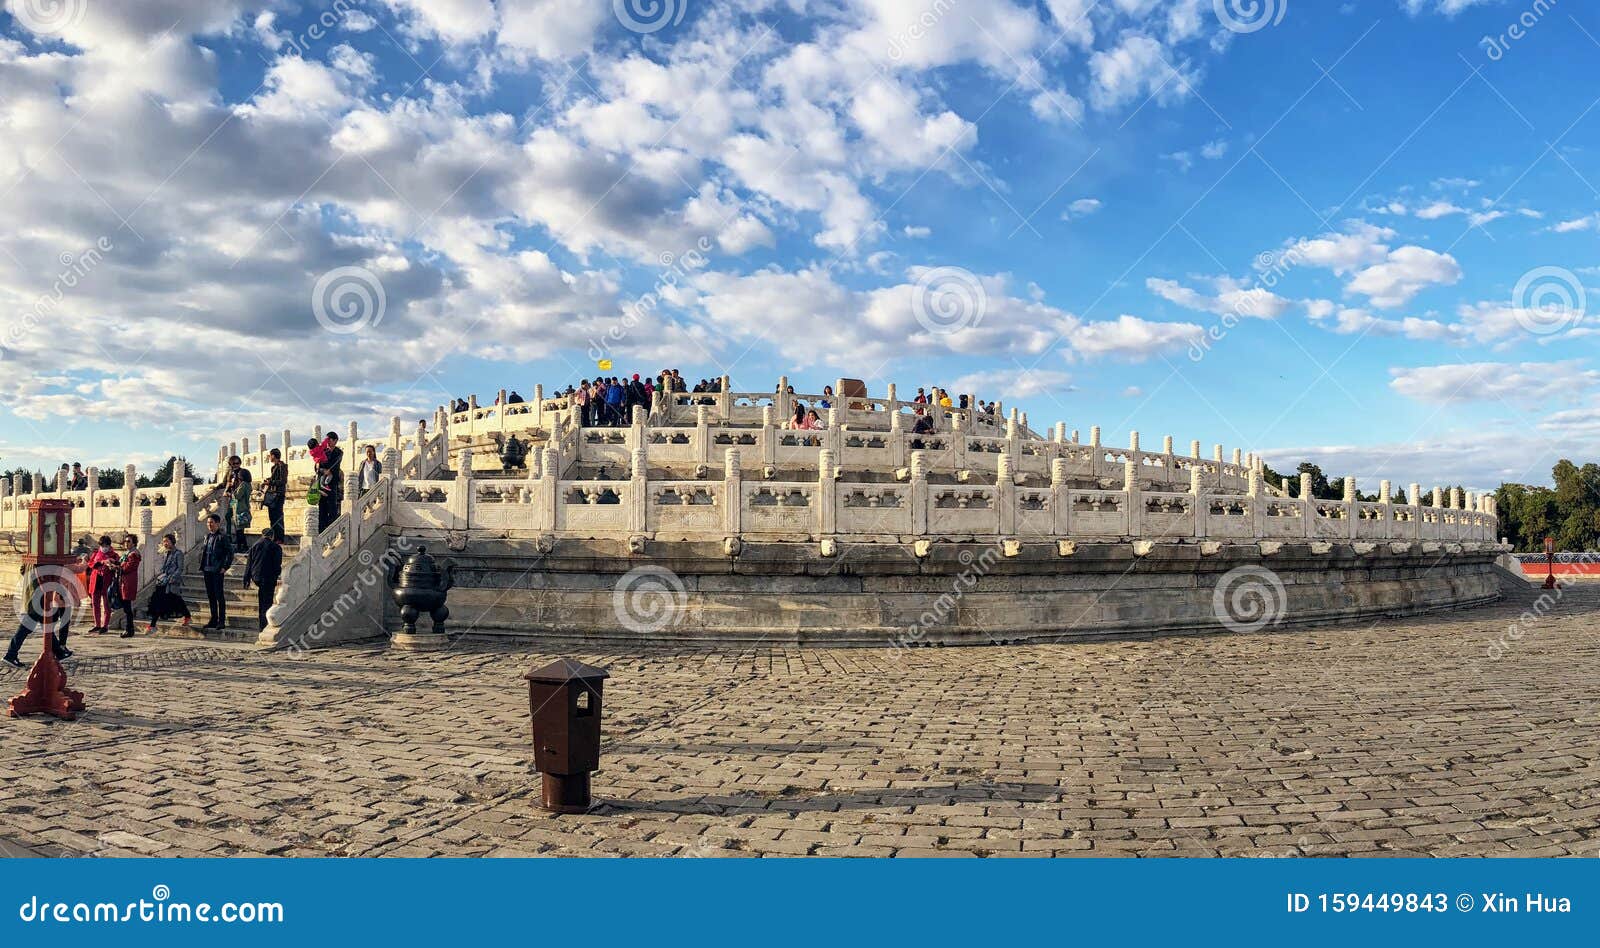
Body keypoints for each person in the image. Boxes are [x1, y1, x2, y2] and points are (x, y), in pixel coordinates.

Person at [4, 563, 76, 668]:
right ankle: (10, 654)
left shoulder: (31, 562)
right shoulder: (39, 564)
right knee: (25, 629)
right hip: (38, 601)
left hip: (36, 599)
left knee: (46, 627)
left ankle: (58, 652)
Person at [145, 533, 191, 633]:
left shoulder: (178, 554)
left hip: (172, 582)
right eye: (164, 542)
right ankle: (152, 625)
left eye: (167, 541)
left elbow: (180, 568)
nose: (165, 543)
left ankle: (187, 615)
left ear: (172, 541)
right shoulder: (166, 553)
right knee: (157, 602)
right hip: (164, 582)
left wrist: (172, 578)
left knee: (177, 600)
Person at [243, 528, 283, 632]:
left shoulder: (255, 545)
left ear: (262, 535)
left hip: (257, 577)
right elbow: (277, 565)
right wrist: (277, 575)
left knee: (262, 601)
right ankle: (264, 624)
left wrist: (246, 578)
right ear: (272, 536)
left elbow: (249, 563)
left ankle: (261, 624)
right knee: (267, 602)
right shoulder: (276, 547)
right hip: (269, 578)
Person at [199, 514, 234, 630]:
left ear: (218, 523)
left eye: (212, 522)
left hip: (217, 570)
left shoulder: (222, 537)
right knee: (211, 596)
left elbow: (230, 553)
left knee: (219, 596)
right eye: (208, 522)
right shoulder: (207, 536)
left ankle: (221, 620)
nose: (209, 524)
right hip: (207, 569)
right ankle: (213, 619)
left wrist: (225, 566)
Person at [84, 534, 117, 634]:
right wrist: (101, 562)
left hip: (107, 581)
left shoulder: (113, 554)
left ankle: (105, 625)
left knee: (107, 605)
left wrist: (111, 563)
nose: (104, 548)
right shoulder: (96, 553)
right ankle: (97, 624)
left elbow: (117, 564)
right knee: (95, 603)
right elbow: (90, 564)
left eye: (106, 546)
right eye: (102, 546)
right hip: (96, 579)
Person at [112, 534, 141, 639]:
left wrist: (116, 567)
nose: (126, 543)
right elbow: (122, 564)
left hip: (128, 583)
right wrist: (114, 563)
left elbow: (127, 568)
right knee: (125, 608)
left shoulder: (134, 554)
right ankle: (129, 629)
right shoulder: (127, 553)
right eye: (125, 541)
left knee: (127, 608)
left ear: (133, 543)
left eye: (129, 541)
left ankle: (130, 629)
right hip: (123, 582)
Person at [317, 431, 345, 530]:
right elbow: (317, 466)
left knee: (332, 506)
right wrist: (322, 470)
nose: (327, 442)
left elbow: (335, 465)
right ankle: (321, 529)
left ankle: (332, 529)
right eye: (327, 440)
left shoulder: (339, 452)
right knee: (322, 507)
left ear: (335, 441)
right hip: (321, 482)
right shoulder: (323, 451)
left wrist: (328, 470)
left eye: (330, 440)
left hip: (332, 483)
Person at [224, 455, 252, 547]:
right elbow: (225, 483)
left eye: (238, 463)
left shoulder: (243, 473)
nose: (236, 465)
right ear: (231, 464)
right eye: (234, 463)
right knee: (228, 515)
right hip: (233, 500)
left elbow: (239, 493)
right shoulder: (230, 473)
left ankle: (240, 542)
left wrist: (231, 491)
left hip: (238, 499)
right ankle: (229, 535)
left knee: (238, 520)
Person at [262, 447, 288, 543]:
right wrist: (268, 481)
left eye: (270, 455)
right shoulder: (274, 467)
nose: (269, 457)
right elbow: (275, 479)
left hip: (278, 495)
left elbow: (283, 481)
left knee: (278, 517)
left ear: (274, 455)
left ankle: (280, 538)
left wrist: (270, 482)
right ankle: (274, 537)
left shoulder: (282, 466)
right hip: (272, 495)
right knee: (272, 517)